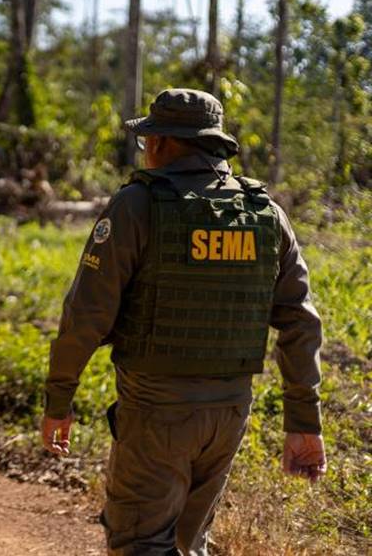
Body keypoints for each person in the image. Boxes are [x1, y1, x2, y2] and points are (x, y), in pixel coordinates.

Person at [40, 88, 326, 555]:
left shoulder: (137, 205)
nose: (146, 150)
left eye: (147, 140)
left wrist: (59, 399)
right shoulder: (265, 214)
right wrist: (303, 422)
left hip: (158, 410)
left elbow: (87, 315)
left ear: (163, 143)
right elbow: (300, 322)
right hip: (230, 414)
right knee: (188, 545)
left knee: (141, 544)